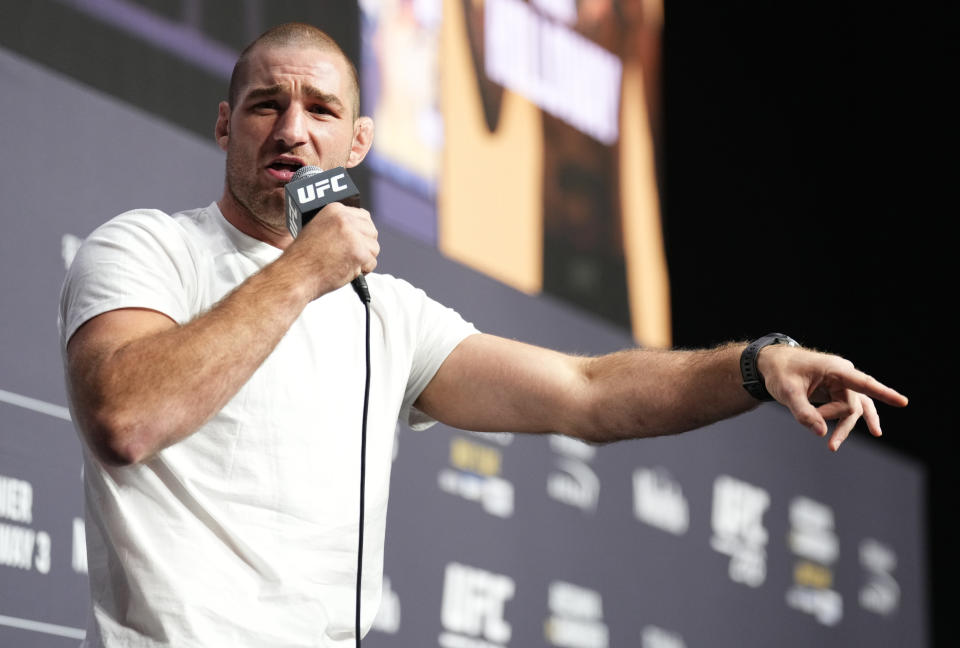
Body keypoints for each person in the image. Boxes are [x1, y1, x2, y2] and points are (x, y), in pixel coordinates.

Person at [59, 22, 907, 648]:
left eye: (321, 110)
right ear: (223, 124)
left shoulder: (383, 314)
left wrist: (757, 364)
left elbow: (588, 395)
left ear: (357, 143)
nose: (292, 131)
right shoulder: (147, 248)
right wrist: (304, 270)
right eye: (264, 106)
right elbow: (126, 419)